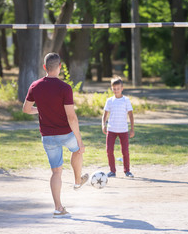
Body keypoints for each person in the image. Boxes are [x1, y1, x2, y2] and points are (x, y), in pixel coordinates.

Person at [22, 53, 88, 218]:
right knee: (77, 150)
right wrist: (79, 140)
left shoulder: (35, 86)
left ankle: (58, 207)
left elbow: (26, 109)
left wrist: (40, 109)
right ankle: (77, 181)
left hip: (48, 137)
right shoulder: (65, 88)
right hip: (66, 133)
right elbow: (71, 117)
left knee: (56, 172)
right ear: (59, 67)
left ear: (44, 67)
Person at [102, 76, 135, 178]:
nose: (116, 90)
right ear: (112, 88)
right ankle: (112, 171)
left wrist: (132, 128)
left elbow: (130, 115)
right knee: (109, 150)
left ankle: (127, 171)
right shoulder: (109, 101)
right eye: (114, 89)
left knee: (125, 151)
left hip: (123, 130)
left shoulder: (126, 100)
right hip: (111, 130)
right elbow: (105, 114)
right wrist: (103, 125)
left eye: (118, 88)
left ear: (122, 88)